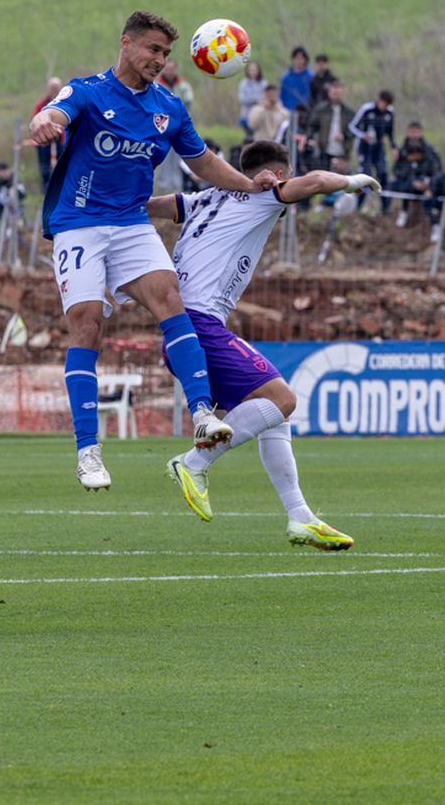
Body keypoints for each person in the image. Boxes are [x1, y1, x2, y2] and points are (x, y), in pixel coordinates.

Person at [29, 10, 276, 490]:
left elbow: (202, 162)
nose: (160, 60)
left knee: (170, 298)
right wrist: (45, 121)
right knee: (87, 324)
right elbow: (55, 113)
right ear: (126, 43)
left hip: (130, 222)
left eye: (166, 53)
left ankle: (202, 413)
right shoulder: (89, 91)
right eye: (153, 50)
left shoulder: (169, 107)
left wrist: (250, 185)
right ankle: (88, 451)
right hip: (78, 224)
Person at [146, 139, 379, 548]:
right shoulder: (261, 196)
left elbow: (154, 206)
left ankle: (300, 517)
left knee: (274, 415)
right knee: (282, 400)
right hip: (200, 326)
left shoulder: (204, 198)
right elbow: (316, 182)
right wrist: (352, 181)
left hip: (182, 329)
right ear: (279, 173)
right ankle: (192, 463)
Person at [390, 122, 442, 229]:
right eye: (412, 132)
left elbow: (436, 168)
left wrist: (428, 182)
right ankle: (400, 211)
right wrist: (412, 181)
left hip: (426, 182)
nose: (414, 135)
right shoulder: (402, 151)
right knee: (388, 186)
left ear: (421, 133)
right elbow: (397, 170)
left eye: (416, 132)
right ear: (407, 133)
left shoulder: (429, 150)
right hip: (407, 183)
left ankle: (434, 219)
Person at [350, 90, 395, 211]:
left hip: (378, 148)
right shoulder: (367, 109)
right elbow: (352, 126)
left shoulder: (390, 113)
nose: (384, 106)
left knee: (383, 173)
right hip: (364, 147)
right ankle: (357, 206)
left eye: (387, 104)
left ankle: (385, 208)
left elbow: (390, 132)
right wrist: (363, 135)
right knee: (365, 174)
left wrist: (393, 147)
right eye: (383, 103)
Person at [303, 80, 353, 170]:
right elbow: (312, 126)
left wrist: (344, 136)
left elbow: (353, 131)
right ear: (329, 93)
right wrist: (310, 138)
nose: (336, 95)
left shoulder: (349, 112)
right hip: (323, 150)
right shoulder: (321, 110)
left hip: (342, 151)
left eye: (338, 93)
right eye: (334, 93)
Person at [31, 78, 65, 188]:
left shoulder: (65, 104)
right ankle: (45, 186)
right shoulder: (41, 105)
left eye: (56, 88)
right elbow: (35, 120)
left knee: (62, 164)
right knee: (44, 165)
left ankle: (60, 186)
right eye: (52, 88)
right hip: (44, 141)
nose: (54, 91)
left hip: (60, 140)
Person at [279, 47, 311, 116]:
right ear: (293, 59)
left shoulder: (310, 77)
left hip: (306, 112)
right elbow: (282, 96)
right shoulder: (286, 77)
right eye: (297, 58)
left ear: (305, 60)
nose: (299, 61)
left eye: (301, 58)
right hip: (288, 112)